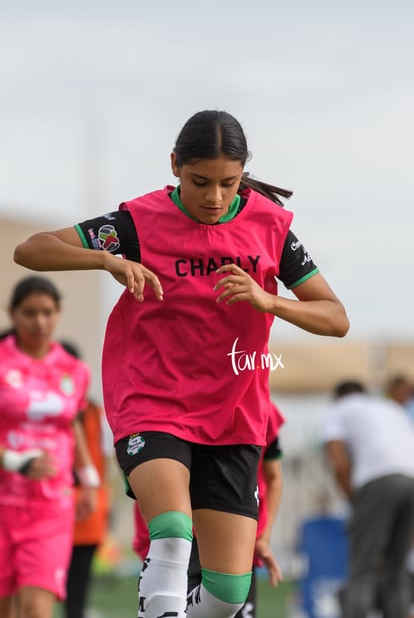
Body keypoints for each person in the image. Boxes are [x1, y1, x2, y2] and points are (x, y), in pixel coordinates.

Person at [13, 109, 349, 618]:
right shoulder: (137, 223)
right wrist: (108, 259)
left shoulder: (270, 228)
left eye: (228, 183)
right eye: (200, 182)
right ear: (174, 165)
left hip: (235, 416)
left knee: (228, 597)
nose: (214, 197)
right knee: (171, 533)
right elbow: (31, 250)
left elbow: (335, 317)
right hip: (153, 402)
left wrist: (270, 300)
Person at [0, 276, 100, 618]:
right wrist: (14, 461)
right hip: (3, 499)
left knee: (35, 609)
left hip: (51, 505)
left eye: (47, 312)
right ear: (12, 313)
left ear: (58, 313)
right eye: (29, 313)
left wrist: (88, 479)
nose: (39, 321)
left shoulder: (74, 370)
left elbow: (72, 422)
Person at [133, 401, 285, 618]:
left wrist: (263, 537)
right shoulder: (165, 397)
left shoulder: (261, 407)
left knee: (227, 599)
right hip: (185, 536)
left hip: (234, 537)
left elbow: (275, 477)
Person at [322, 380, 414, 618]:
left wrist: (356, 503)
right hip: (411, 480)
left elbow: (339, 463)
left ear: (338, 397)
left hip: (378, 479)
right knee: (396, 569)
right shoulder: (390, 408)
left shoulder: (338, 409)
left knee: (363, 569)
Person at [60, 341, 112, 618]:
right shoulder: (95, 413)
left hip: (83, 512)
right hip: (69, 511)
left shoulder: (95, 415)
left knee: (73, 591)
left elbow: (105, 462)